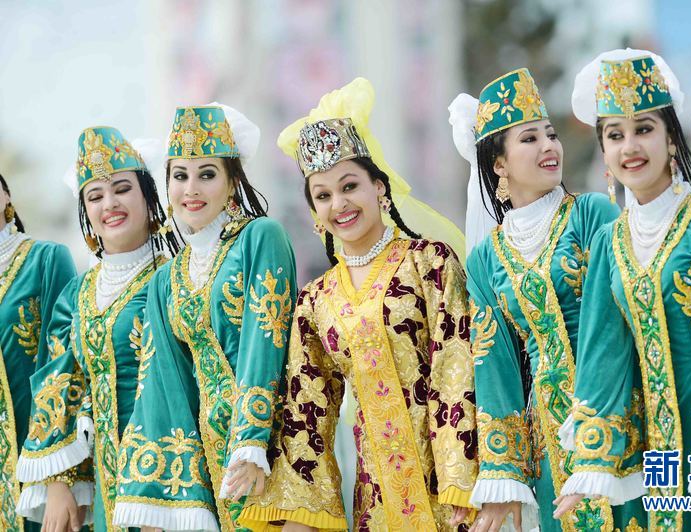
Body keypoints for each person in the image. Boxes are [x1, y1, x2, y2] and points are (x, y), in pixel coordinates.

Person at [240, 77, 477, 531]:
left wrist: (462, 482)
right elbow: (306, 415)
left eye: (350, 186)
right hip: (376, 501)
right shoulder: (315, 302)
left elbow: (457, 370)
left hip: (451, 494)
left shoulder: (429, 263)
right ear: (314, 212)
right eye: (323, 195)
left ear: (379, 188)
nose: (339, 204)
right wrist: (299, 518)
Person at [553, 49, 691, 531]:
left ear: (671, 138)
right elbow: (602, 351)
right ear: (604, 152)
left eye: (644, 129)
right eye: (615, 135)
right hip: (657, 449)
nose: (630, 146)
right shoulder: (609, 241)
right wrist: (590, 461)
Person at [455, 67, 645, 532]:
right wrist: (505, 476)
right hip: (550, 442)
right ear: (499, 164)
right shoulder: (485, 260)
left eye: (551, 134)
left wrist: (600, 420)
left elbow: (620, 321)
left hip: (622, 419)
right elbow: (496, 369)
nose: (549, 146)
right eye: (530, 138)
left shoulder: (591, 214)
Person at [112, 104, 297, 531]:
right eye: (180, 176)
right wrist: (160, 499)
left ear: (233, 182)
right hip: (213, 464)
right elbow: (162, 384)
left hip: (273, 446)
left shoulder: (259, 237)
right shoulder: (166, 280)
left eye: (207, 174)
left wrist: (250, 439)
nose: (191, 189)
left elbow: (265, 340)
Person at [15, 127, 177, 531]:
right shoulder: (77, 294)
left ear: (148, 196)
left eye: (122, 189)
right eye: (95, 196)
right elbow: (58, 385)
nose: (110, 204)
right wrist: (58, 482)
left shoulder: (176, 278)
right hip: (109, 486)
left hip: (172, 481)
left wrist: (162, 501)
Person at [0, 171, 75, 531]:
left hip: (35, 470)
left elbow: (64, 364)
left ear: (5, 195)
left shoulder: (46, 260)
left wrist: (59, 477)